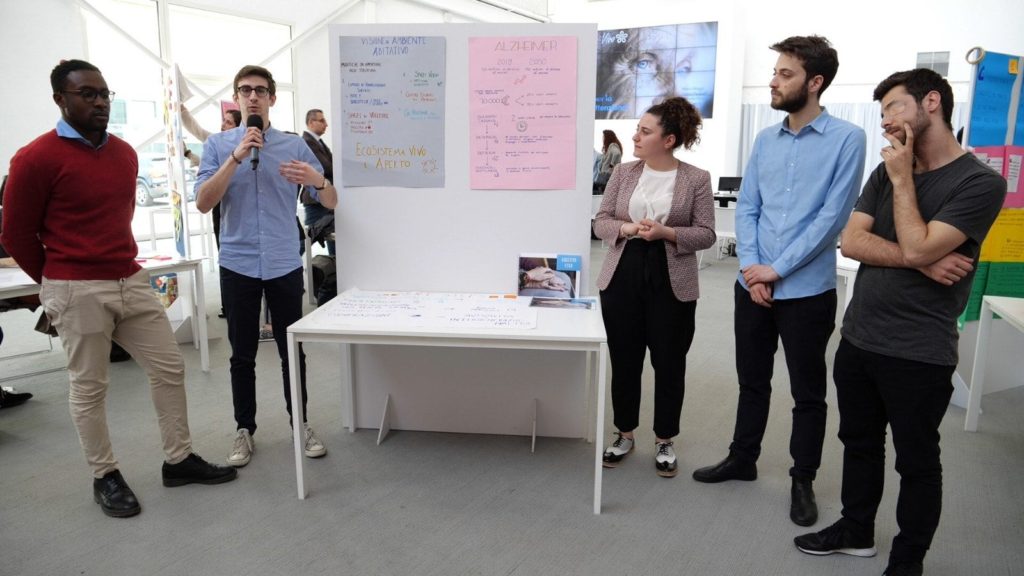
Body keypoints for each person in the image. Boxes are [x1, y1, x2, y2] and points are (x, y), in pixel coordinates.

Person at [0, 59, 237, 518]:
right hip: (76, 288)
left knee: (169, 368)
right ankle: (104, 475)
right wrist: (55, 280)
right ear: (60, 100)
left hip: (131, 279)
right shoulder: (35, 158)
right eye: (87, 94)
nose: (100, 102)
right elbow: (15, 234)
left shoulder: (125, 154)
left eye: (104, 94)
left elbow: (117, 217)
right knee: (90, 386)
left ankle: (178, 460)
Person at [794, 69, 1006, 576]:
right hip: (859, 337)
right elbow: (852, 242)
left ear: (931, 102)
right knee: (859, 444)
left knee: (916, 461)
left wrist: (905, 184)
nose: (886, 120)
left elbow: (915, 243)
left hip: (919, 350)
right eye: (883, 111)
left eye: (894, 106)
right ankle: (856, 530)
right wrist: (923, 260)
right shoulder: (885, 170)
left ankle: (908, 560)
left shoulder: (980, 182)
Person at [692, 35, 866, 528]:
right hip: (753, 286)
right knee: (752, 381)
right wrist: (753, 269)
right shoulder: (765, 140)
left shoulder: (848, 139)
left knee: (808, 393)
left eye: (785, 74)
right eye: (775, 72)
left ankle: (802, 478)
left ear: (815, 82)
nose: (773, 81)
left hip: (807, 291)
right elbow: (748, 207)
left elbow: (832, 218)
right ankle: (742, 458)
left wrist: (778, 269)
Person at [194, 65, 337, 468]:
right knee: (242, 353)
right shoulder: (218, 145)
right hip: (237, 262)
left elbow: (331, 201)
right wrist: (236, 157)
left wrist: (318, 181)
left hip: (282, 261)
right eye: (245, 90)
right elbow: (203, 202)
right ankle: (244, 428)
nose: (253, 96)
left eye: (260, 90)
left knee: (292, 350)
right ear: (237, 98)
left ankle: (300, 423)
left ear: (272, 98)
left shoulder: (293, 146)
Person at [593, 96, 716, 478]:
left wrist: (667, 233)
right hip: (623, 274)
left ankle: (665, 439)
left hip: (671, 278)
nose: (635, 137)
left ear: (669, 139)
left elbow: (707, 233)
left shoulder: (696, 178)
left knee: (669, 362)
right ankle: (624, 434)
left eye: (644, 132)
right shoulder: (623, 173)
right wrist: (627, 227)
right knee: (624, 360)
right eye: (637, 129)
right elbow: (601, 221)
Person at [181, 105, 241, 319]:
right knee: (225, 254)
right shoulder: (216, 141)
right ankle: (229, 304)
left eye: (228, 122)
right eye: (223, 120)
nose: (223, 125)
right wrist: (182, 112)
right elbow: (197, 131)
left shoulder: (248, 144)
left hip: (238, 208)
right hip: (220, 205)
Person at [300, 109, 335, 255]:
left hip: (325, 197)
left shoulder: (318, 142)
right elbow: (325, 167)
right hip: (315, 199)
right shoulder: (306, 142)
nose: (326, 124)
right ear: (310, 122)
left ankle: (334, 265)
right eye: (321, 121)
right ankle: (285, 264)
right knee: (307, 239)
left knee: (332, 235)